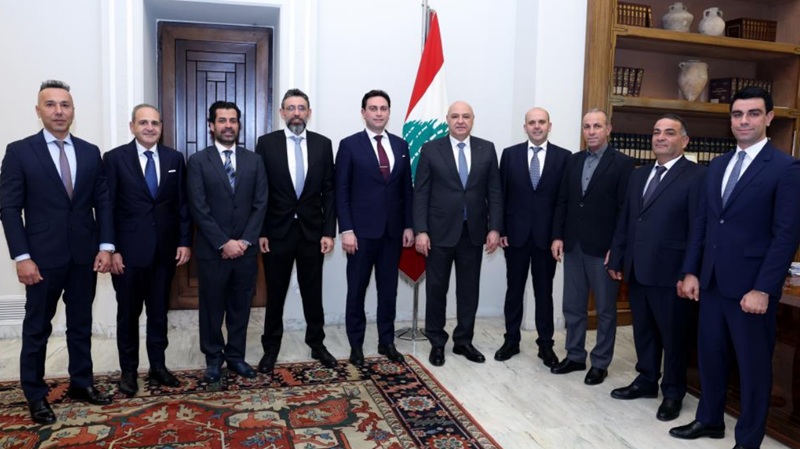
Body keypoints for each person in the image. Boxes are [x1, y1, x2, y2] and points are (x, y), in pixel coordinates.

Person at [669, 87, 800, 449]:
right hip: (711, 282)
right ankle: (710, 420)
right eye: (737, 114)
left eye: (753, 113)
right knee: (710, 357)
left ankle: (748, 439)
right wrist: (691, 271)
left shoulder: (786, 169)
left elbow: (786, 236)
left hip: (751, 288)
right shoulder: (718, 165)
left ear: (768, 118)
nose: (744, 121)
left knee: (753, 367)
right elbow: (703, 222)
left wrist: (763, 289)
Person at [0, 80, 114, 424]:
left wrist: (106, 246)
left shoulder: (90, 152)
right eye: (51, 105)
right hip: (41, 259)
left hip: (84, 256)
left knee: (81, 324)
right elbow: (9, 208)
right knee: (37, 328)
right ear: (38, 111)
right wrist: (22, 257)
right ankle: (35, 395)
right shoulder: (19, 152)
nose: (59, 111)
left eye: (65, 105)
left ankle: (82, 383)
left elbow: (102, 203)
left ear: (73, 111)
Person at [607, 114, 705, 421]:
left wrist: (689, 271)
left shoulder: (697, 176)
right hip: (638, 268)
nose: (661, 137)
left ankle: (673, 392)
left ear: (684, 141)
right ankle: (647, 379)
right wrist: (618, 257)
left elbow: (698, 228)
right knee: (644, 329)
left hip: (672, 272)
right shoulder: (639, 175)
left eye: (669, 133)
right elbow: (627, 218)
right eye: (656, 132)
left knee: (674, 336)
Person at [103, 104, 192, 396]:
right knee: (128, 315)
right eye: (143, 122)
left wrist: (184, 241)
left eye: (155, 123)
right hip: (127, 256)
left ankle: (158, 366)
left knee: (158, 313)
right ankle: (128, 372)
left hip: (164, 253)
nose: (150, 128)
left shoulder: (174, 158)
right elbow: (107, 208)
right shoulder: (115, 159)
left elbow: (181, 204)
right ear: (132, 126)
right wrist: (112, 249)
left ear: (161, 127)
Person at [413, 100, 503, 367]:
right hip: (438, 233)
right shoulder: (431, 149)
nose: (460, 121)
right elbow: (421, 192)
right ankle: (437, 342)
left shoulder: (487, 149)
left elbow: (495, 192)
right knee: (436, 290)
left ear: (473, 120)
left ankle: (463, 341)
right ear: (447, 120)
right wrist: (421, 230)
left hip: (473, 233)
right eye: (455, 116)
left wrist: (495, 228)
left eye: (465, 116)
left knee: (468, 291)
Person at [550, 108, 634, 385]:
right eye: (587, 126)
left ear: (608, 129)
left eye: (597, 126)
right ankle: (575, 356)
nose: (592, 131)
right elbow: (563, 201)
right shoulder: (573, 161)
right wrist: (558, 236)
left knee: (606, 310)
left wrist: (617, 248)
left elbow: (625, 211)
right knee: (572, 306)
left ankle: (600, 363)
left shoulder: (622, 163)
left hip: (603, 250)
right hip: (573, 245)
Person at [256, 89, 337, 373]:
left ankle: (317, 344)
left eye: (301, 108)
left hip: (312, 232)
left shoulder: (323, 144)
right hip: (276, 233)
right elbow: (260, 190)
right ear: (282, 113)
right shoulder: (267, 144)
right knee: (275, 294)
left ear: (309, 113)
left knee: (313, 292)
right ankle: (271, 349)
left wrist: (329, 232)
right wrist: (261, 231)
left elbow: (329, 191)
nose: (296, 113)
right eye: (291, 108)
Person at [186, 101, 267, 383]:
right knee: (211, 307)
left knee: (240, 307)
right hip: (213, 251)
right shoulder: (198, 161)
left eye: (233, 120)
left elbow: (261, 204)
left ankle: (235, 356)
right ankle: (213, 359)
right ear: (211, 126)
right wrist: (224, 242)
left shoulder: (254, 161)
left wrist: (244, 241)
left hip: (246, 252)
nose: (228, 126)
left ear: (239, 125)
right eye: (222, 120)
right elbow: (198, 207)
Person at [335, 89, 414, 366]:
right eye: (373, 108)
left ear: (389, 113)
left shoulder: (401, 146)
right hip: (360, 234)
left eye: (383, 108)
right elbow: (341, 191)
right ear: (363, 112)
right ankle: (356, 345)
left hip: (392, 233)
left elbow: (406, 190)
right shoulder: (349, 145)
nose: (378, 113)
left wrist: (409, 226)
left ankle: (386, 341)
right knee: (357, 290)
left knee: (388, 291)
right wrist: (346, 229)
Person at [496, 107, 570, 366]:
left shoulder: (564, 157)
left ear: (550, 126)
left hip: (546, 239)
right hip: (515, 237)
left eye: (541, 122)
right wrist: (501, 230)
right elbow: (501, 195)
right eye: (532, 122)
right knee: (514, 290)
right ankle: (511, 341)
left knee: (544, 293)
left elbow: (563, 201)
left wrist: (558, 235)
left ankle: (546, 345)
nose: (537, 126)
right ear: (525, 127)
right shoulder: (510, 155)